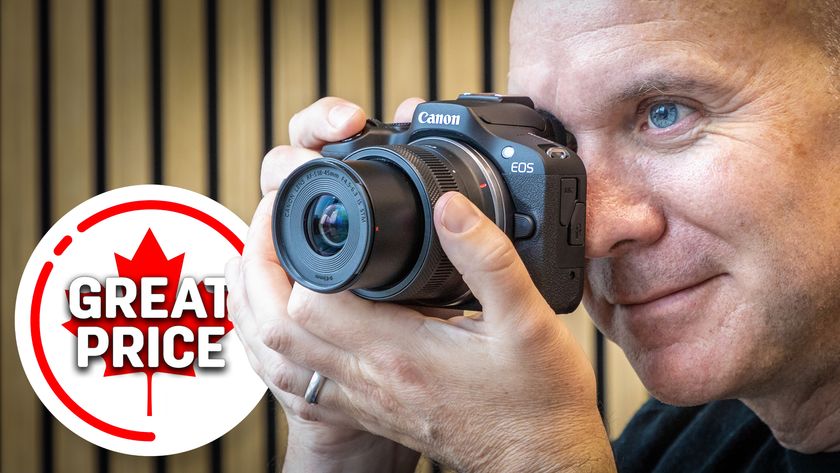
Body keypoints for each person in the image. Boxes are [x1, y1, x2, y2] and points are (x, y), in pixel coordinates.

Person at [224, 0, 840, 471]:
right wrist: (342, 442)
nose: (594, 231)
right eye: (554, 148)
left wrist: (534, 456)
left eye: (665, 113)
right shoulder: (678, 444)